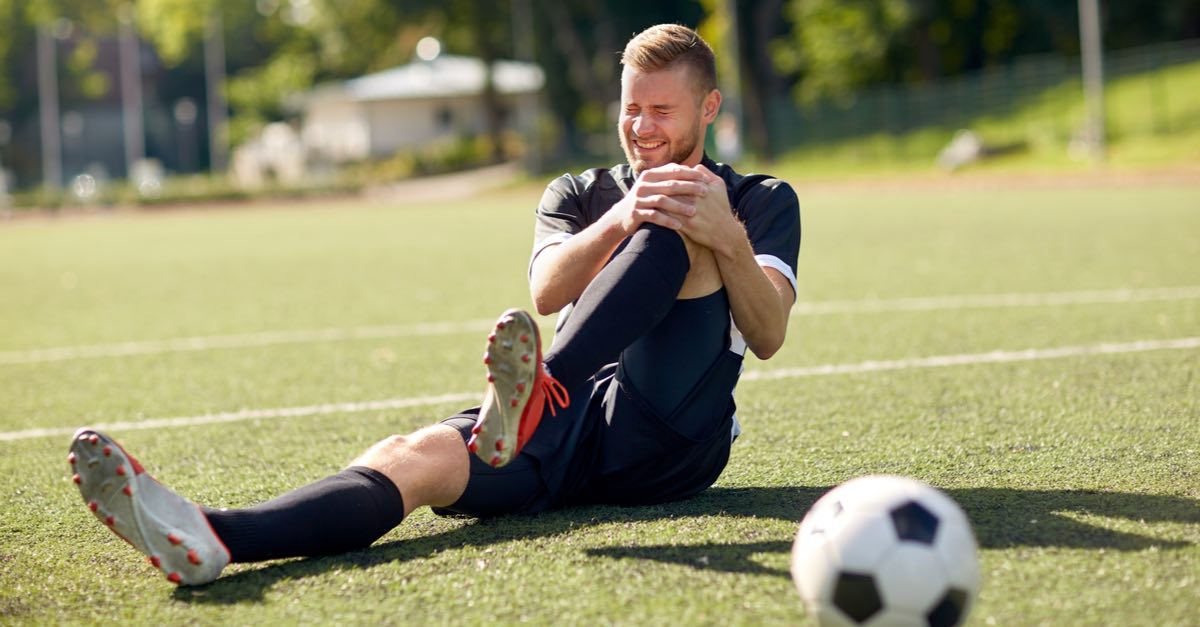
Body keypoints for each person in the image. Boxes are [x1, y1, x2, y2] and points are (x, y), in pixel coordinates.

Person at [67, 23, 800, 586]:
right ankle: (212, 535)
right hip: (564, 426)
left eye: (661, 111)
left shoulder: (762, 200)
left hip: (667, 433)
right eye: (630, 109)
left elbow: (767, 334)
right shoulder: (577, 192)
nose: (642, 128)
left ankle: (539, 395)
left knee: (686, 221)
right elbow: (547, 290)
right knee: (414, 457)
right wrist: (620, 217)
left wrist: (726, 238)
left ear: (709, 106)